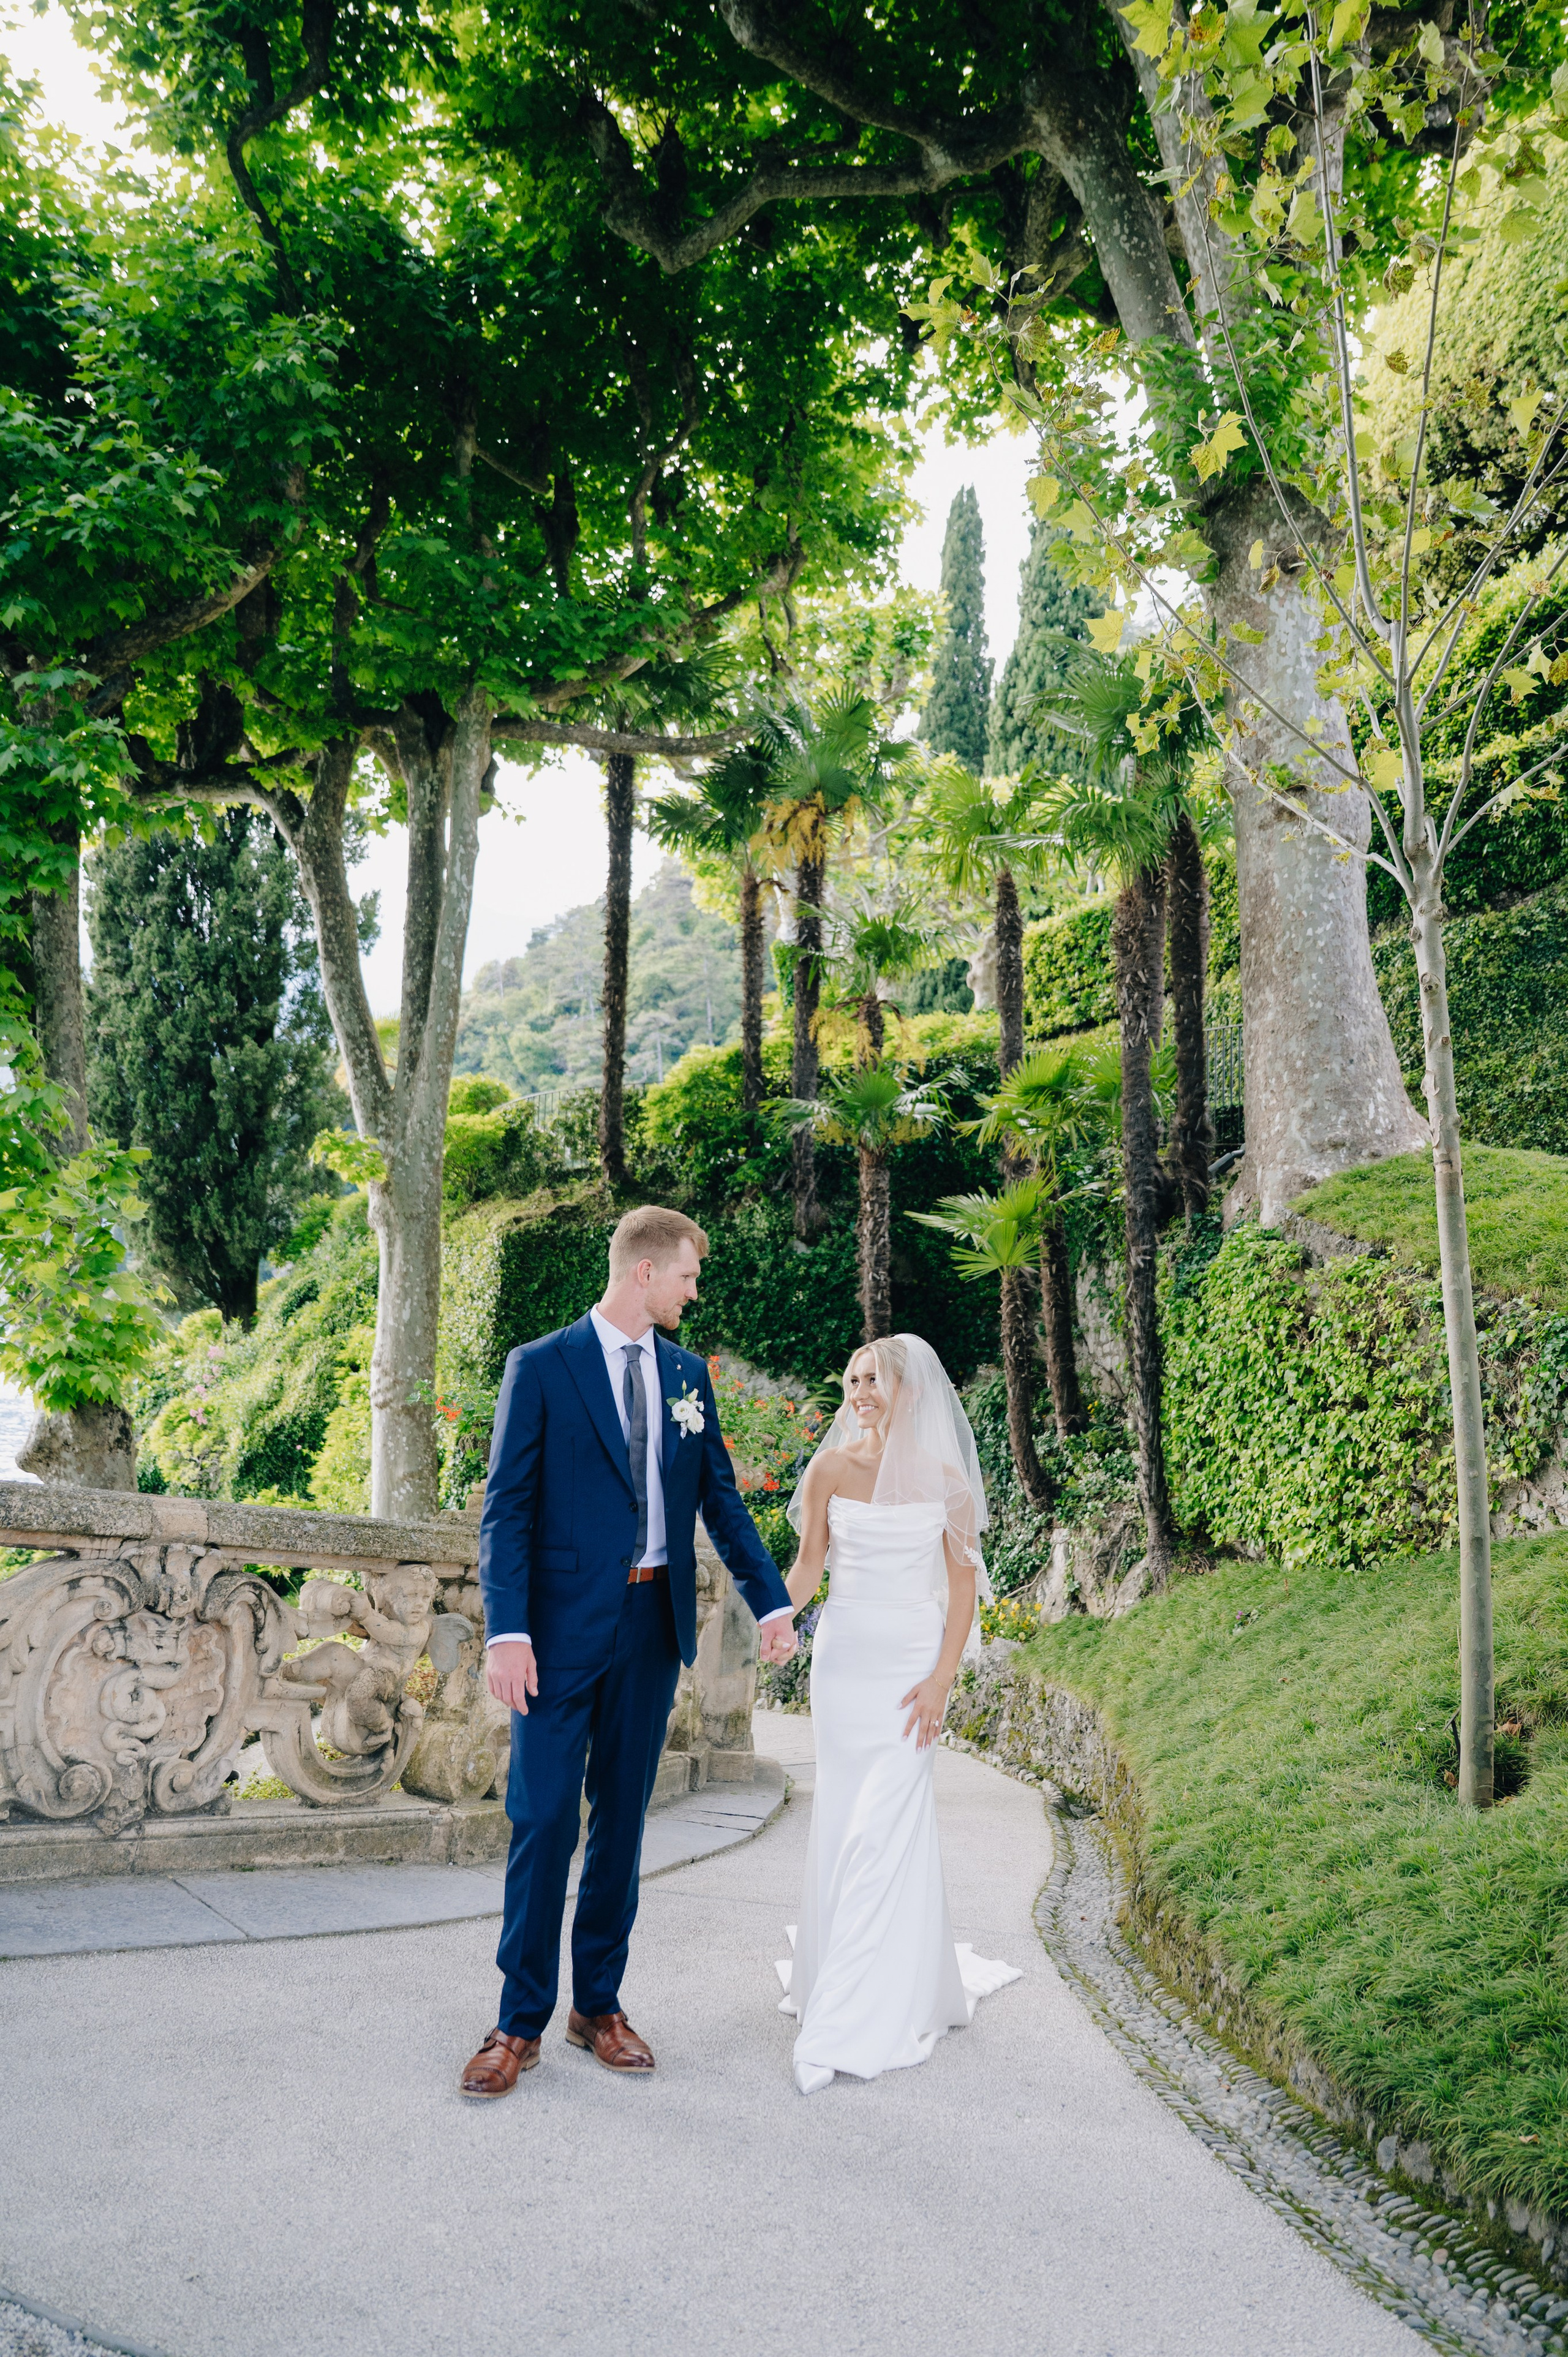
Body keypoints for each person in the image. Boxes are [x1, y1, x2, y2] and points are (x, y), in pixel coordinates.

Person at [459, 1205, 797, 2097]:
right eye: (687, 1274)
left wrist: (773, 1600)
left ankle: (596, 2006)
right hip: (557, 1636)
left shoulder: (688, 1374)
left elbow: (719, 1499)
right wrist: (507, 1629)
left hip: (653, 1631)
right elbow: (507, 1511)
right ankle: (516, 2021)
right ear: (644, 1271)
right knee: (541, 1821)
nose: (696, 1289)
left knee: (621, 1826)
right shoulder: (541, 1366)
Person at [775, 1333, 1020, 2095]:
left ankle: (860, 2007)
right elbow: (811, 1565)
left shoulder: (948, 1485)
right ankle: (849, 1974)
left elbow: (962, 1593)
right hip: (844, 1665)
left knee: (890, 1821)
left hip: (912, 1667)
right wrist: (776, 1614)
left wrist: (942, 1679)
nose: (860, 1391)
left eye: (873, 1378)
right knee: (848, 1818)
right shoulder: (829, 1468)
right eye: (852, 1378)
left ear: (908, 1389)